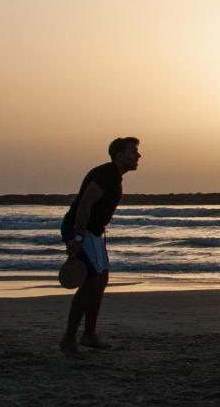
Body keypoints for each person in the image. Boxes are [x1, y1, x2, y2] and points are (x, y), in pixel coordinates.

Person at [59, 136, 140, 358]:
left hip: (93, 233)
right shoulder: (106, 174)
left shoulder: (114, 176)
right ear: (119, 155)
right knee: (91, 282)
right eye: (133, 152)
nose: (138, 156)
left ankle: (90, 334)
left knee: (100, 280)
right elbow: (85, 204)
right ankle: (68, 339)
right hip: (80, 230)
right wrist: (76, 238)